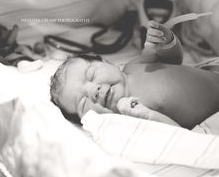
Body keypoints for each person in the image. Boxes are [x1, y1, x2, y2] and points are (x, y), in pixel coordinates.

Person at [50, 21, 219, 129]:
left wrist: (167, 42)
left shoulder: (134, 66)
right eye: (83, 102)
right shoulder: (131, 119)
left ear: (107, 62)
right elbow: (178, 135)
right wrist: (148, 116)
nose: (94, 91)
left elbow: (173, 60)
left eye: (92, 74)